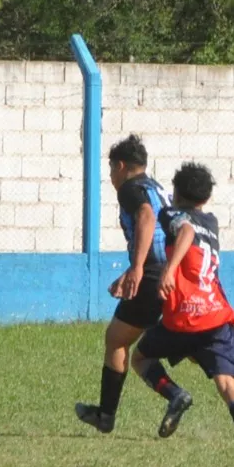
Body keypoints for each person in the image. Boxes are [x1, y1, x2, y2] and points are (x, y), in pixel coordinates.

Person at [131, 161, 234, 467]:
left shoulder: (173, 215)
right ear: (205, 199)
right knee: (226, 383)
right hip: (214, 316)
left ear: (177, 194)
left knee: (139, 359)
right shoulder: (213, 221)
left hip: (181, 318)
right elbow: (196, 227)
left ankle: (175, 393)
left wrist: (169, 269)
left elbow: (185, 230)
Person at [75, 134, 171, 433]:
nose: (110, 177)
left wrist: (139, 268)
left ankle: (107, 415)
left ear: (120, 166)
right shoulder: (156, 187)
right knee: (188, 342)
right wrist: (132, 267)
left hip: (153, 274)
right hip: (171, 271)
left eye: (110, 170)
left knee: (117, 340)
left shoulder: (131, 189)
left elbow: (145, 217)